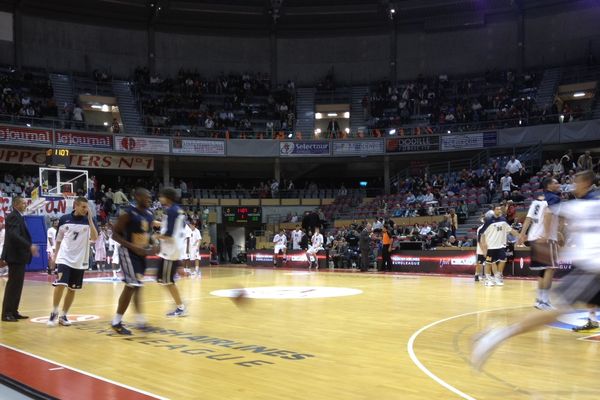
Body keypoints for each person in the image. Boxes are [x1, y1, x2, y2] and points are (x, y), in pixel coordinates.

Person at [471, 194, 600, 370]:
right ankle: (498, 334)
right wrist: (545, 238)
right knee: (557, 307)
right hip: (592, 270)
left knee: (549, 285)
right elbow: (549, 214)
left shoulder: (579, 205)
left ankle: (543, 303)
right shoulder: (572, 205)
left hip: (586, 265)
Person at [110, 188, 157, 335]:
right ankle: (116, 322)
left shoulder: (150, 214)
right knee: (131, 286)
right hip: (128, 252)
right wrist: (134, 247)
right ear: (137, 196)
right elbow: (115, 235)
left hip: (141, 254)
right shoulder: (128, 214)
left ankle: (140, 322)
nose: (149, 199)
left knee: (137, 286)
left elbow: (147, 234)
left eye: (150, 197)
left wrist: (153, 244)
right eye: (146, 196)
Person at [47, 197, 98, 327]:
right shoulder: (64, 219)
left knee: (72, 289)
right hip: (65, 257)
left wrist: (90, 219)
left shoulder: (89, 220)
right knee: (61, 284)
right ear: (75, 206)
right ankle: (54, 312)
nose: (86, 209)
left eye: (87, 207)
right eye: (83, 207)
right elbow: (58, 240)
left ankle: (63, 315)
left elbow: (95, 237)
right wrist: (55, 257)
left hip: (80, 259)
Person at [518, 177, 561, 310]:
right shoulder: (553, 198)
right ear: (548, 186)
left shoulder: (536, 201)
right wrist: (548, 234)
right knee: (550, 269)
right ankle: (544, 301)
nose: (558, 184)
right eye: (555, 182)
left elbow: (528, 219)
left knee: (543, 270)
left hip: (534, 237)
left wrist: (521, 235)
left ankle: (539, 300)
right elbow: (548, 214)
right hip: (545, 238)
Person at [1, 197, 38, 322]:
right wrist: (29, 245)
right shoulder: (13, 216)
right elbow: (13, 235)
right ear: (16, 204)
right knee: (13, 285)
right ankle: (6, 313)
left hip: (19, 257)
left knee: (18, 285)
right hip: (15, 256)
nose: (25, 204)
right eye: (23, 203)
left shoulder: (18, 216)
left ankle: (13, 311)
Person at [156, 188, 188, 317]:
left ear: (167, 197)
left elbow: (169, 234)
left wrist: (155, 237)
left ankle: (180, 307)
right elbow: (174, 228)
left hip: (170, 252)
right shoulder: (176, 209)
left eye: (161, 196)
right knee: (161, 279)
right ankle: (179, 304)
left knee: (167, 281)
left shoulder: (171, 211)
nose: (159, 198)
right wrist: (157, 223)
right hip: (170, 251)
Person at [479, 206, 520, 287]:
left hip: (501, 246)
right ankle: (488, 279)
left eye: (500, 209)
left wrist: (520, 236)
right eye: (497, 209)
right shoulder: (489, 221)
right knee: (489, 263)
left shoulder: (503, 220)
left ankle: (497, 277)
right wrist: (484, 247)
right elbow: (482, 234)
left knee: (503, 260)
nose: (499, 210)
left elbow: (510, 230)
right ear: (493, 211)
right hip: (490, 246)